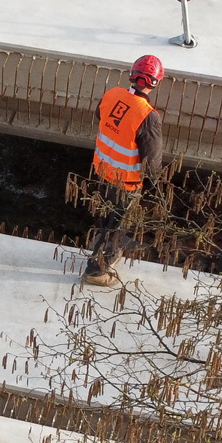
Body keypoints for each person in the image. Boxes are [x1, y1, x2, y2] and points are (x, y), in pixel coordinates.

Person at [82, 54, 167, 286]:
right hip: (125, 181)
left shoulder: (112, 94)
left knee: (107, 216)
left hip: (103, 170)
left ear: (131, 75)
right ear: (155, 82)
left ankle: (103, 248)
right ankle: (96, 270)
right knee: (116, 223)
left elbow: (100, 115)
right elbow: (152, 162)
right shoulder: (149, 117)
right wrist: (156, 182)